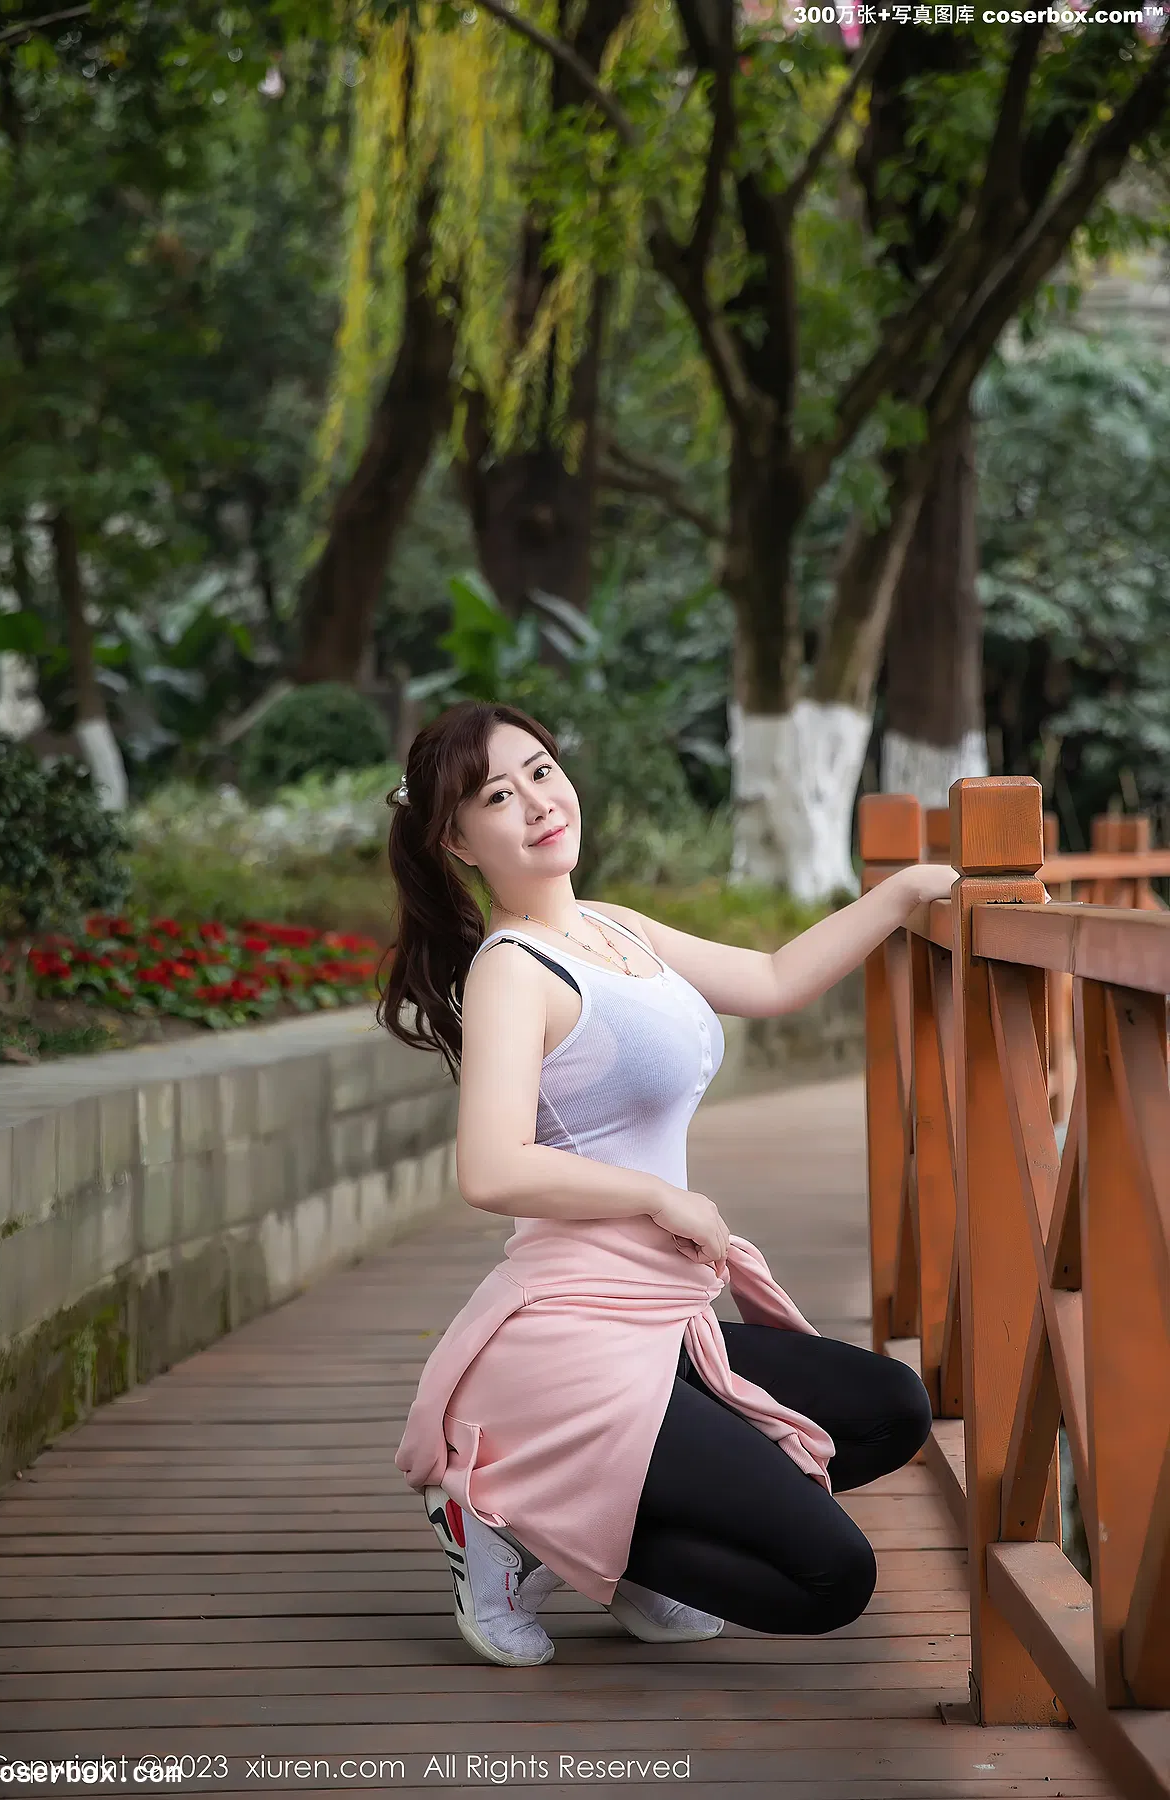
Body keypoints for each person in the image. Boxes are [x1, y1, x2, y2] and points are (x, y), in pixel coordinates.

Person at [380, 699, 950, 1670]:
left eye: (541, 771)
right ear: (458, 841)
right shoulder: (512, 971)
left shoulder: (615, 928)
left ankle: (605, 1527)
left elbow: (771, 978)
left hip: (664, 1318)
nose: (537, 802)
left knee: (891, 1408)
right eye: (497, 796)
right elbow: (490, 1166)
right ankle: (511, 1522)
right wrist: (656, 1198)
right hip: (577, 1337)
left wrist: (902, 895)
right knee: (831, 1578)